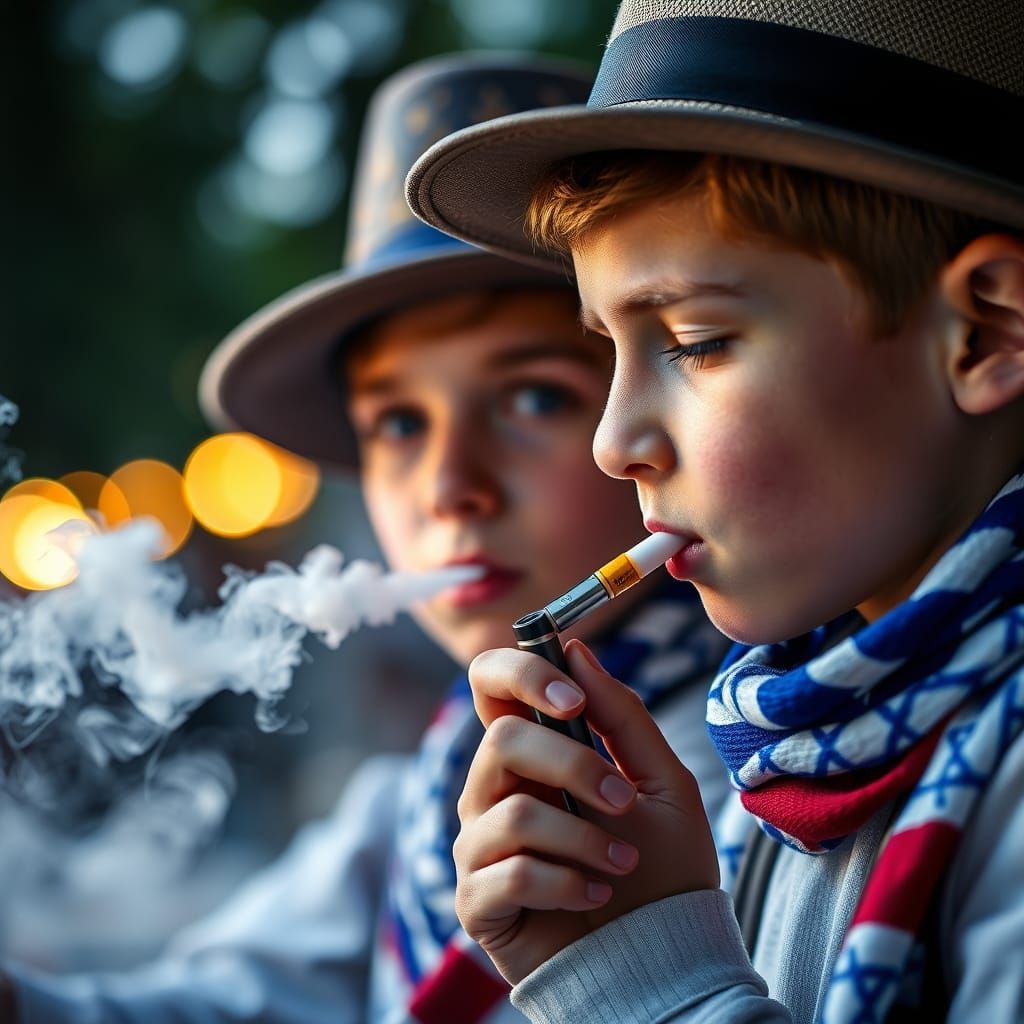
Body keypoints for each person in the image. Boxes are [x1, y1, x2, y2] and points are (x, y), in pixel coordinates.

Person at [0, 53, 732, 1024]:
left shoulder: (772, 773)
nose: (448, 487)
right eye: (396, 424)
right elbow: (219, 1006)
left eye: (533, 397)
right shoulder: (419, 803)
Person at [406, 1, 1024, 1021]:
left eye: (693, 342)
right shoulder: (797, 743)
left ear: (986, 333)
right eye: (608, 347)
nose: (615, 444)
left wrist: (654, 979)